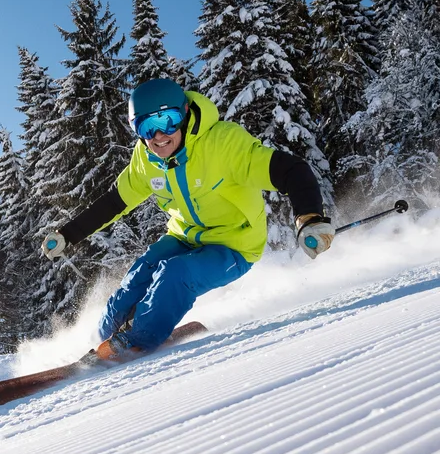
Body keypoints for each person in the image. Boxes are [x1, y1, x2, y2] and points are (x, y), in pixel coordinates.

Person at [41, 78, 334, 360]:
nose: (158, 136)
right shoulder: (146, 160)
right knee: (137, 278)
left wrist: (308, 217)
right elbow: (113, 202)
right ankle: (103, 342)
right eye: (146, 126)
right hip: (185, 236)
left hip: (233, 244)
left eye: (166, 121)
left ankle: (135, 344)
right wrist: (68, 235)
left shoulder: (222, 144)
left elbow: (292, 171)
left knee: (175, 275)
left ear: (182, 115)